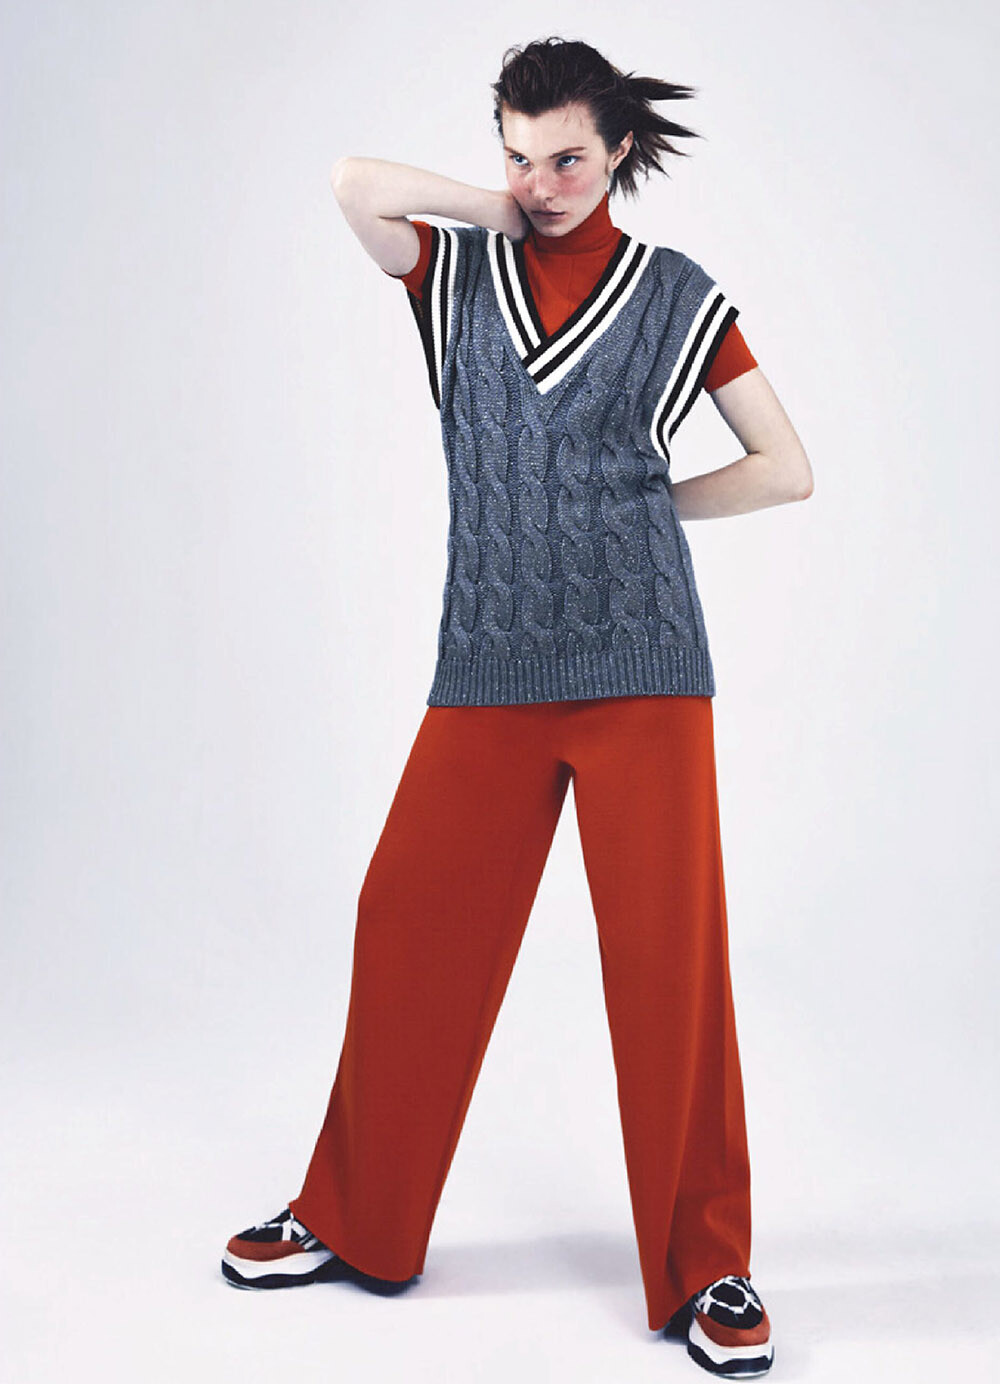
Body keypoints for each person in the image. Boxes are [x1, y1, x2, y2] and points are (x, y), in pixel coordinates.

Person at [220, 36, 812, 1380]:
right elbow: (355, 183)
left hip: (644, 673)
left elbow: (784, 466)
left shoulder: (675, 294)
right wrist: (500, 206)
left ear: (620, 154)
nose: (540, 181)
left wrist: (643, 512)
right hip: (489, 664)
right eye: (517, 152)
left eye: (566, 158)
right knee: (406, 921)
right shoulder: (459, 274)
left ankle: (710, 1268)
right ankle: (356, 1218)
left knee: (670, 967)